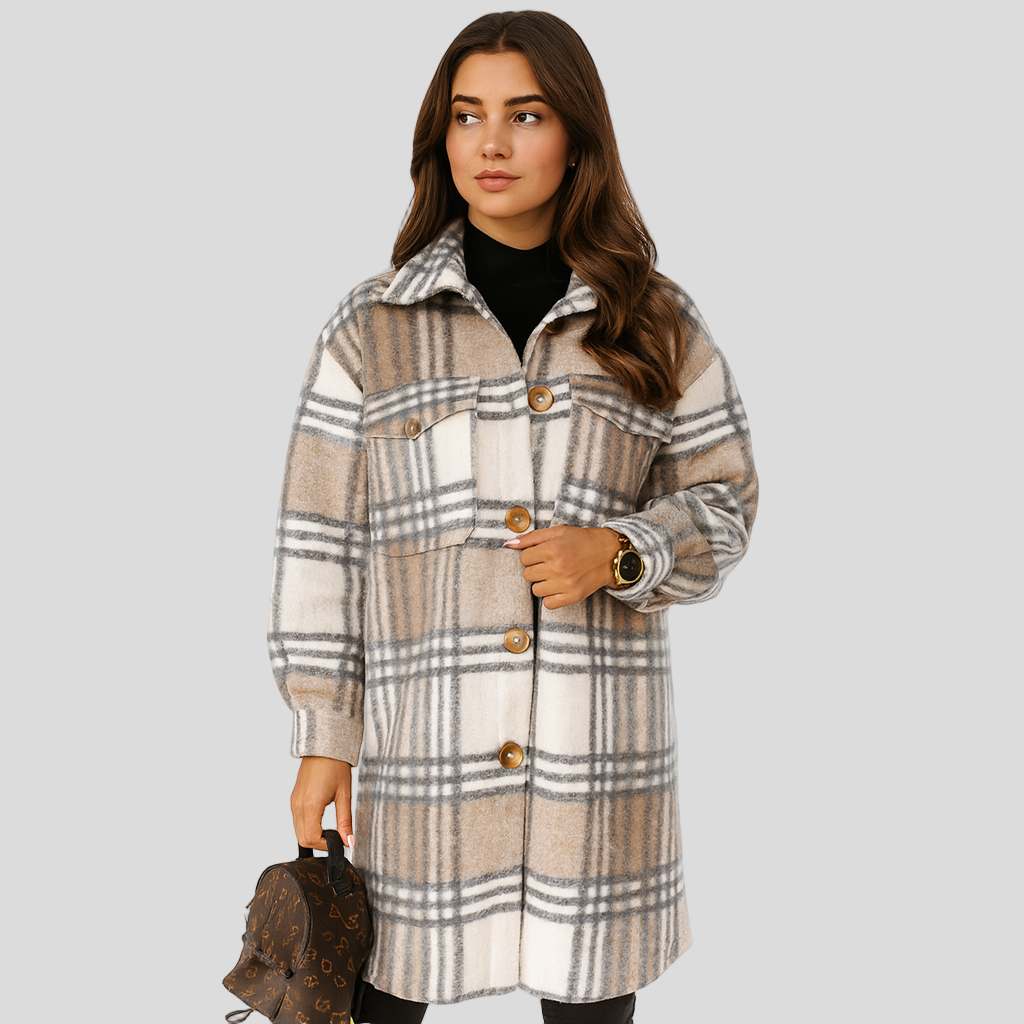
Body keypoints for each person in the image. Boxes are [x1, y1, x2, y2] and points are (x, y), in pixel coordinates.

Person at [268, 11, 758, 1023]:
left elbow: (726, 497)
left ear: (576, 137)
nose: (490, 143)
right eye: (467, 115)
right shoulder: (372, 329)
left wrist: (622, 550)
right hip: (425, 768)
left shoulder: (655, 322)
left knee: (589, 1003)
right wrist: (325, 735)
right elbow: (320, 545)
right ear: (440, 136)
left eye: (525, 115)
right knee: (383, 991)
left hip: (596, 772)